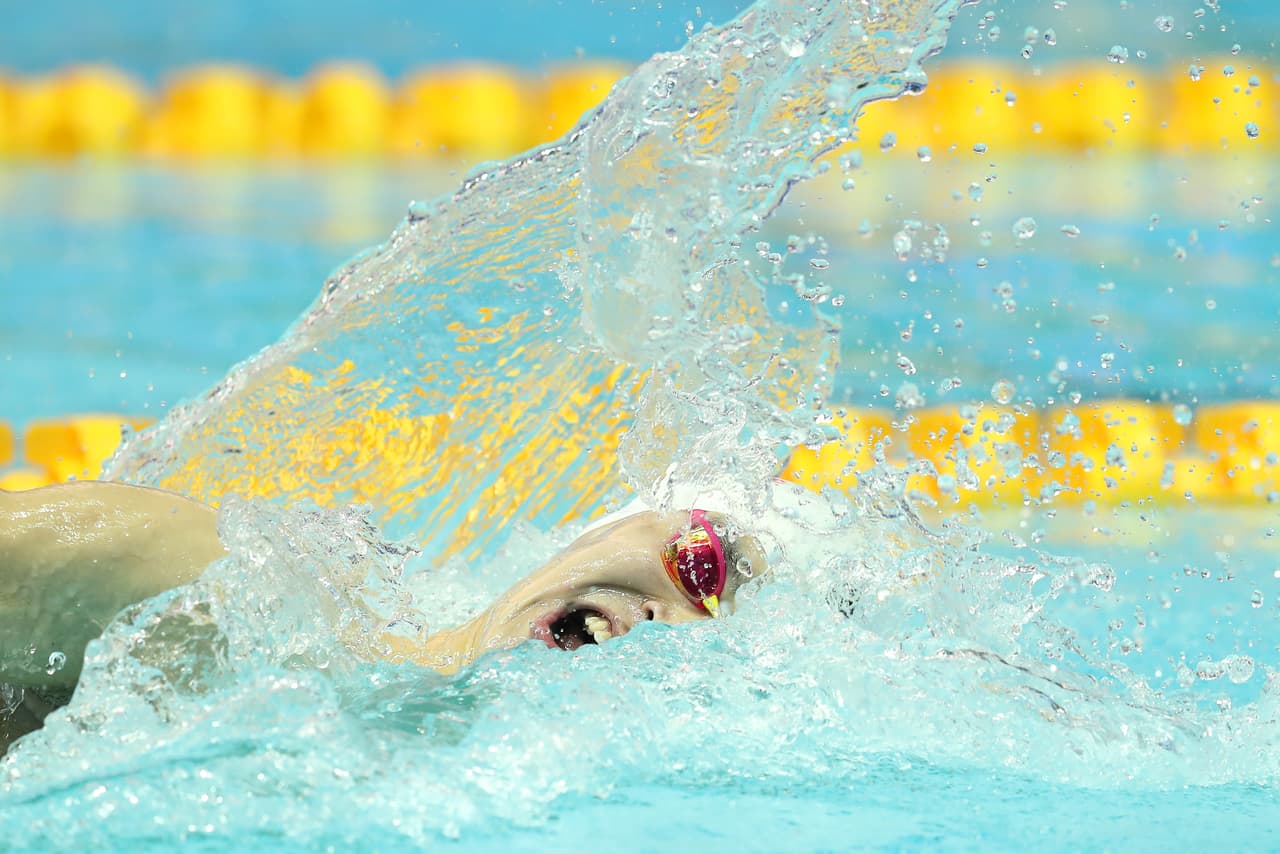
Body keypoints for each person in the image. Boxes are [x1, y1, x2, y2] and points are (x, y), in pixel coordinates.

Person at [0, 480, 764, 752]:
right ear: (596, 536)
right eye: (701, 566)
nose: (683, 623)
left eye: (715, 630)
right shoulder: (214, 585)